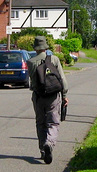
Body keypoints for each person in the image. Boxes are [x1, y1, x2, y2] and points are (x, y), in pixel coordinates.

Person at [27, 35, 68, 164]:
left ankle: (42, 150)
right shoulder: (54, 60)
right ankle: (49, 143)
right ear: (45, 47)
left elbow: (32, 82)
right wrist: (65, 95)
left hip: (38, 96)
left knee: (40, 123)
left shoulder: (30, 62)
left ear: (36, 48)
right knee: (53, 122)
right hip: (53, 96)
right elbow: (62, 79)